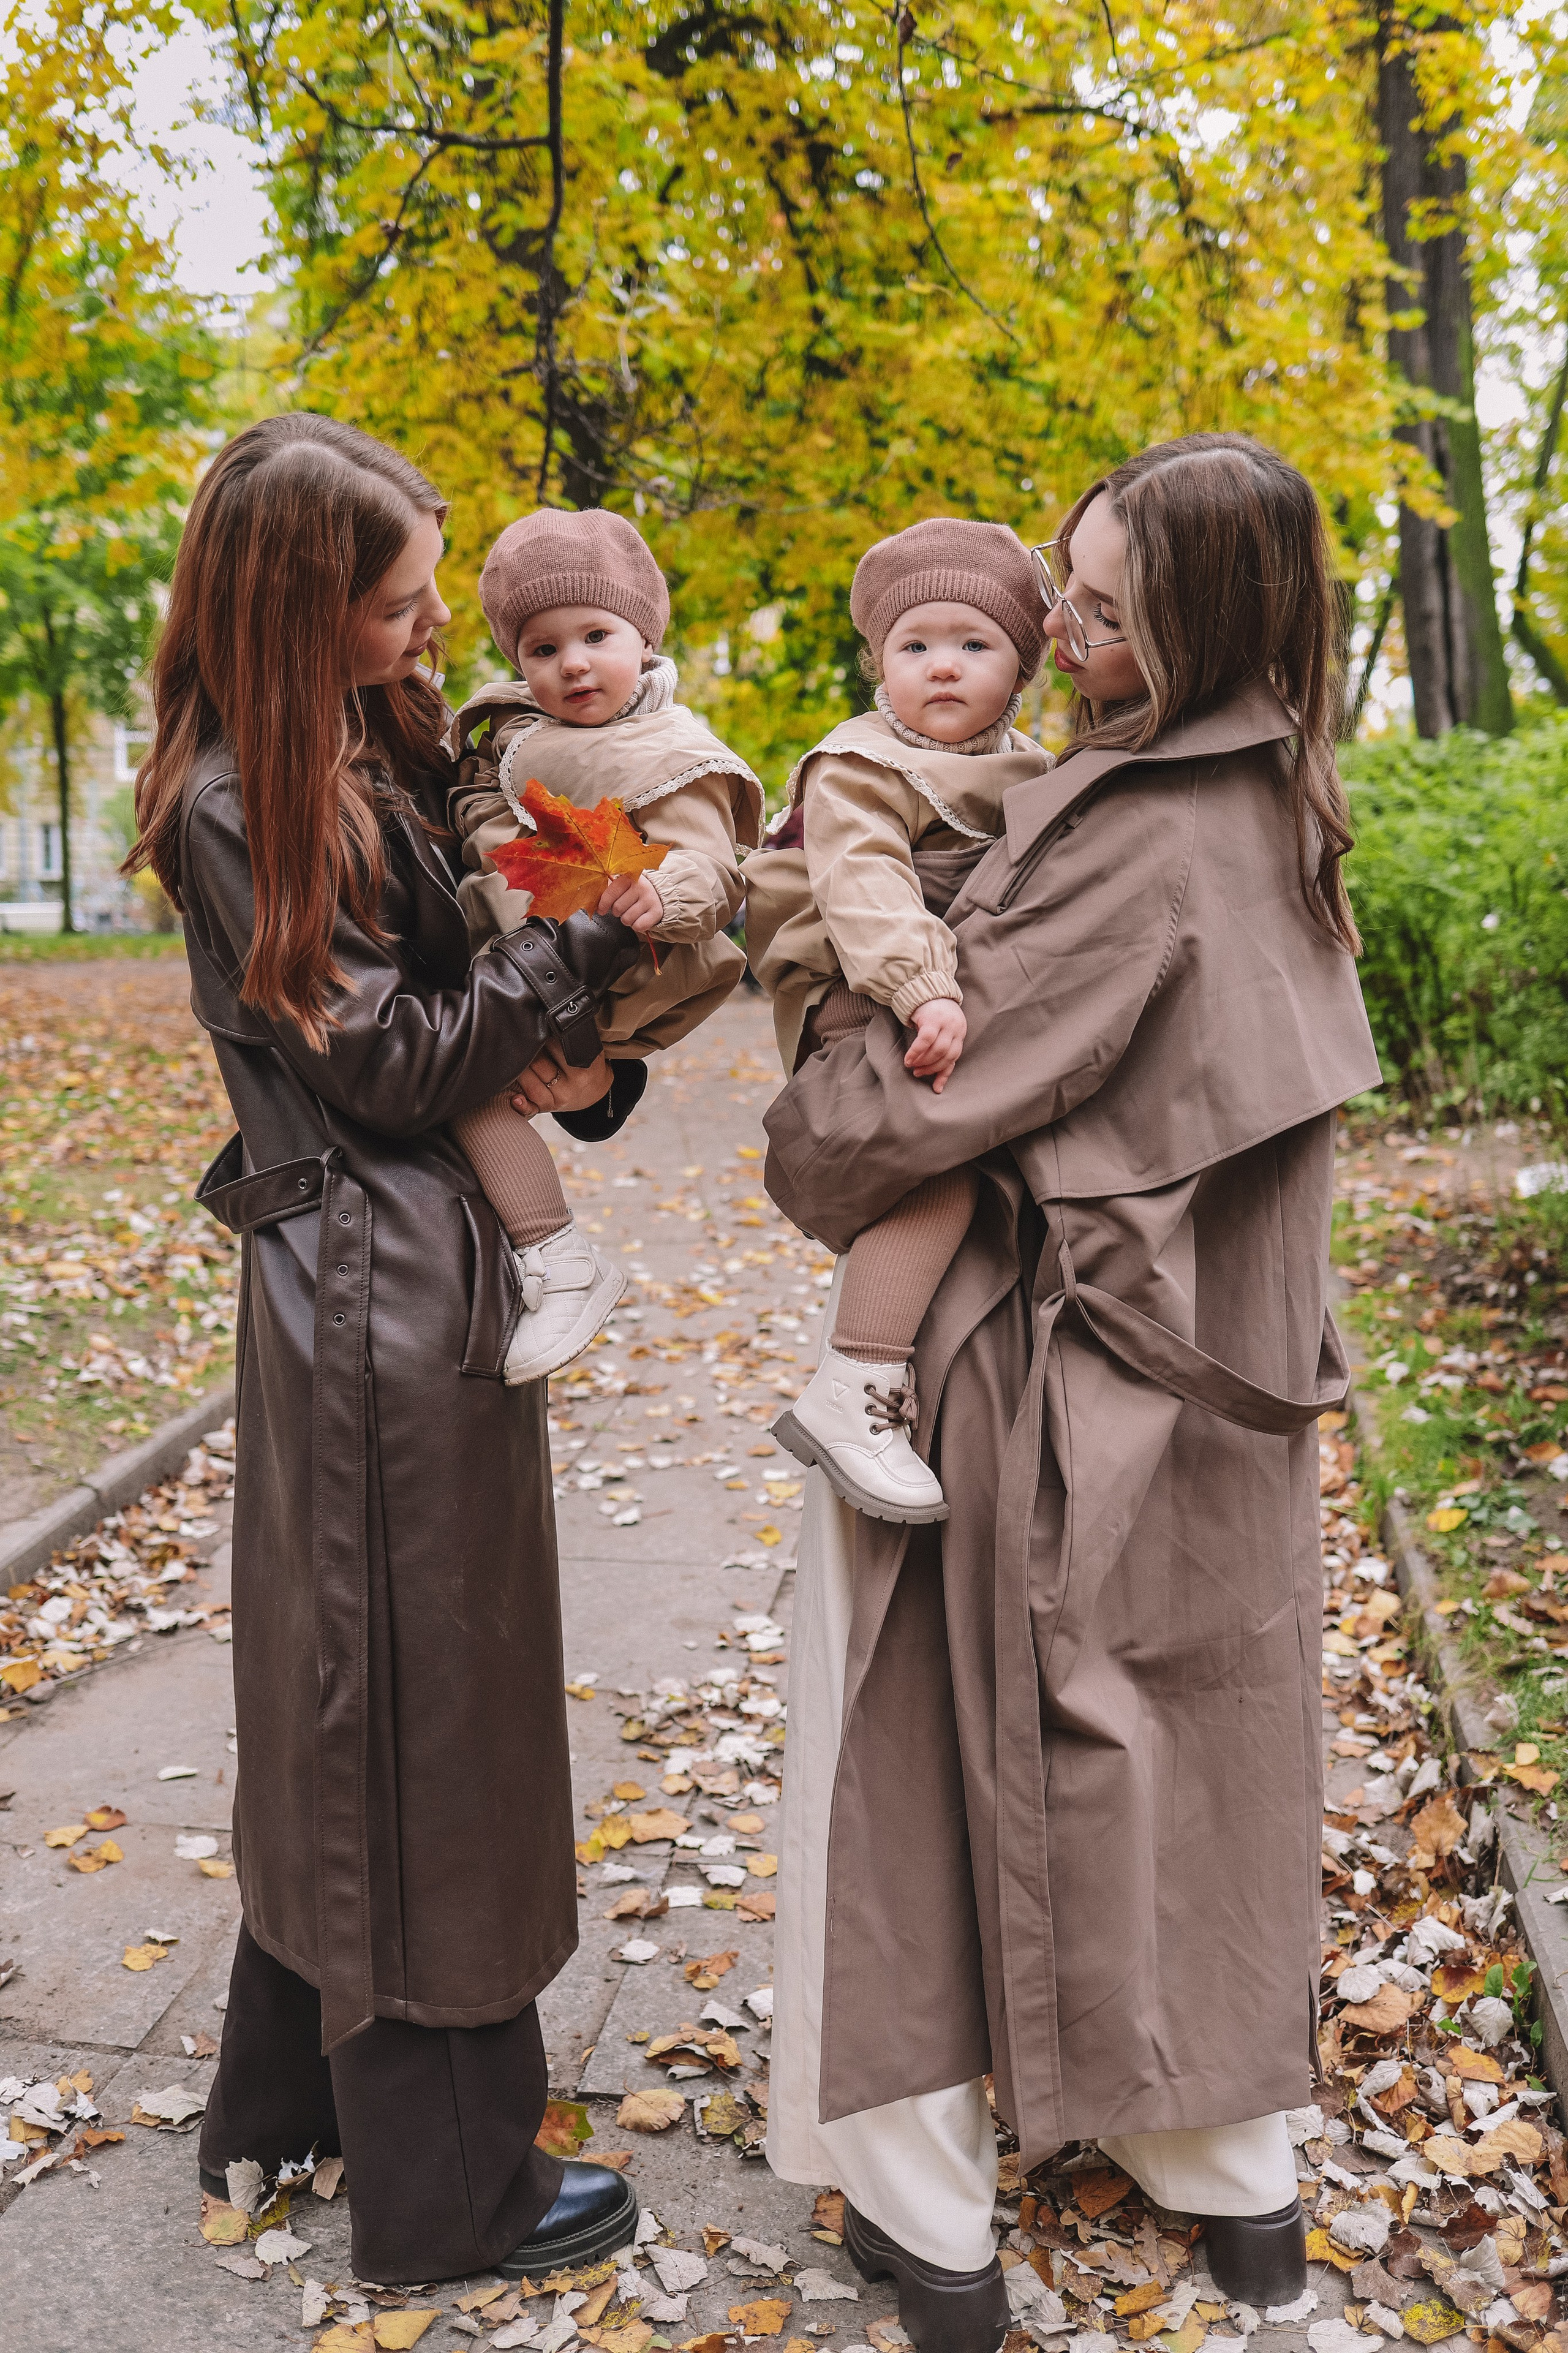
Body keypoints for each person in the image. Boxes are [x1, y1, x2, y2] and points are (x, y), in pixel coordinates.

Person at [760, 434, 1383, 2348]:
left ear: (1201, 622)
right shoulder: (1277, 789)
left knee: (914, 1767)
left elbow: (866, 1130)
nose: (1063, 624)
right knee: (1194, 1758)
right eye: (1067, 581)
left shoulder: (1136, 826)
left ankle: (928, 2220)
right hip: (1223, 1380)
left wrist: (806, 1003)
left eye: (1105, 609)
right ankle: (1231, 2178)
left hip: (1049, 1382)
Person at [126, 414, 644, 2285]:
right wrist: (583, 942)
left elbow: (443, 992)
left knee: (369, 1691)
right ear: (300, 605)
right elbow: (395, 1055)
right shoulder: (243, 792)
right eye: (405, 602)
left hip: (391, 1276)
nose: (438, 629)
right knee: (417, 1714)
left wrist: (578, 1023)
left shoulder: (329, 748)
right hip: (371, 1295)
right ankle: (450, 2192)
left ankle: (301, 2106)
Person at [744, 518, 1054, 1523]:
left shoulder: (1036, 768)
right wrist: (924, 984)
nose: (943, 668)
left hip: (943, 997)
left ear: (1023, 666)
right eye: (914, 646)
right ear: (880, 664)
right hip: (860, 988)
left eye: (975, 644)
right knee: (936, 1164)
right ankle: (857, 1382)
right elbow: (865, 880)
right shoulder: (860, 761)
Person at [445, 507, 763, 1380]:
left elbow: (719, 866)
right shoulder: (516, 736)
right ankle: (549, 1254)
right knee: (474, 1093)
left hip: (624, 970)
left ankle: (560, 1258)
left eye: (596, 634)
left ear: (645, 636)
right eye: (542, 650)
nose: (573, 663)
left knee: (473, 1084)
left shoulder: (667, 749)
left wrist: (667, 891)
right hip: (530, 961)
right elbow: (489, 818)